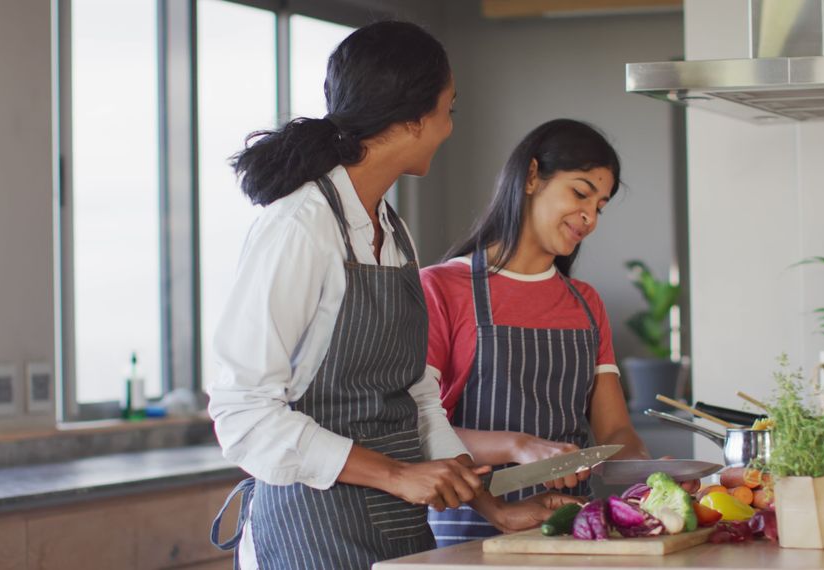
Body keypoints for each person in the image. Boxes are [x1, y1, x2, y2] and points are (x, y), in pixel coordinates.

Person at [207, 22, 571, 570]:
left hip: (398, 526)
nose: (449, 128)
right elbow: (243, 413)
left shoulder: (393, 232)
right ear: (411, 119)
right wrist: (398, 475)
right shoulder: (301, 226)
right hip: (311, 527)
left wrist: (493, 508)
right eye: (449, 109)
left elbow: (417, 397)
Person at [421, 119, 653, 547]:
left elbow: (616, 432)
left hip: (567, 531)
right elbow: (418, 427)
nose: (589, 217)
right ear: (531, 176)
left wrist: (650, 474)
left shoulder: (585, 303)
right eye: (580, 193)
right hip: (467, 535)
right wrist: (521, 446)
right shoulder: (441, 288)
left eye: (600, 206)